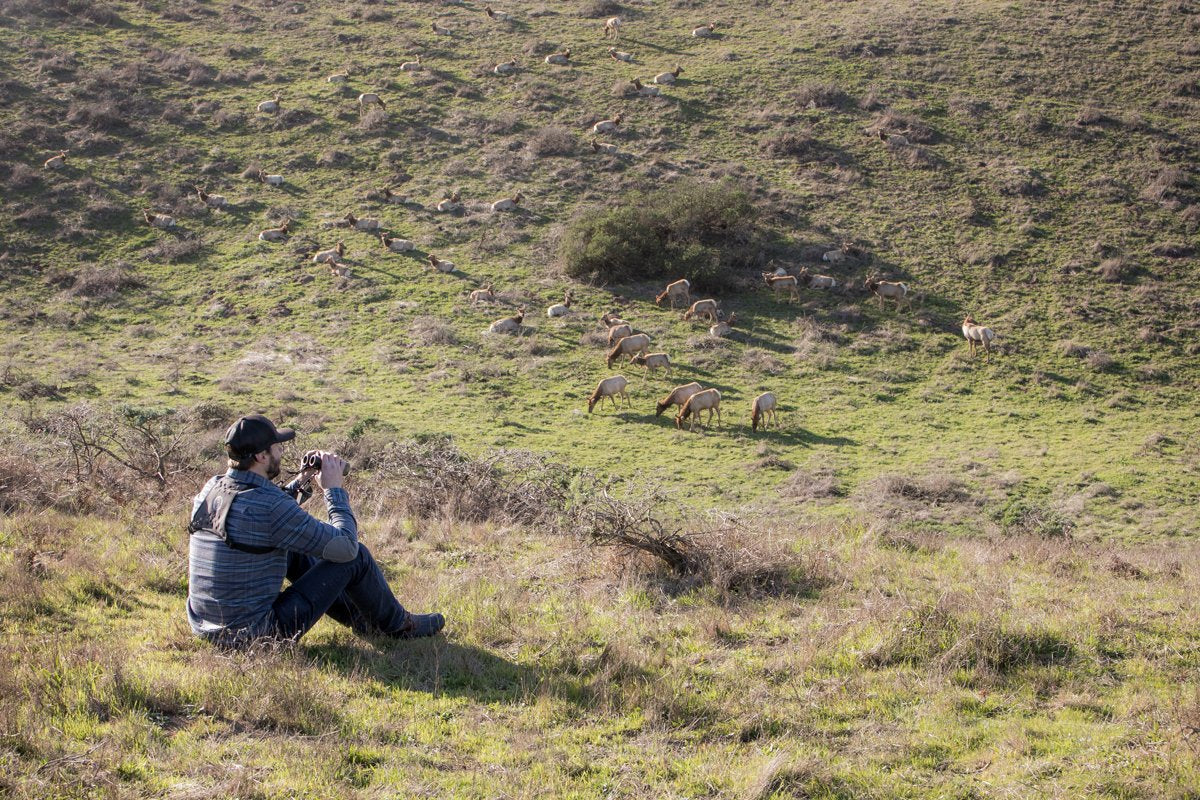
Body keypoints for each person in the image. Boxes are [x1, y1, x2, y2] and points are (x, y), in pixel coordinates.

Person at [187, 414, 444, 647]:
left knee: (292, 550)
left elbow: (262, 513)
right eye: (277, 446)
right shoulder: (270, 506)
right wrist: (334, 490)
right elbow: (345, 547)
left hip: (206, 627)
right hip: (257, 635)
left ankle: (366, 623)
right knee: (356, 557)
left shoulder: (213, 487)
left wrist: (303, 479)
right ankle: (398, 625)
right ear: (261, 457)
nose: (281, 450)